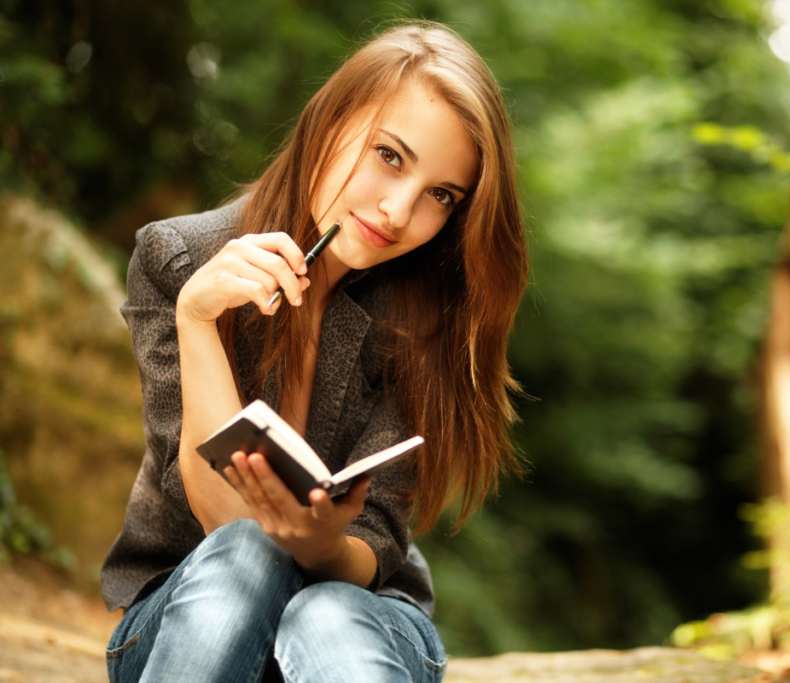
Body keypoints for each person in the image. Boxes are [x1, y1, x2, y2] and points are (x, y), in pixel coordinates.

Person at [101, 21, 527, 683]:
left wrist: (324, 543)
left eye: (441, 196)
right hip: (187, 620)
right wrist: (198, 317)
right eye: (390, 155)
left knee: (326, 612)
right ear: (329, 120)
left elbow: (377, 537)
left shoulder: (423, 321)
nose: (396, 211)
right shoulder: (177, 258)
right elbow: (218, 523)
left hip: (357, 615)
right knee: (245, 552)